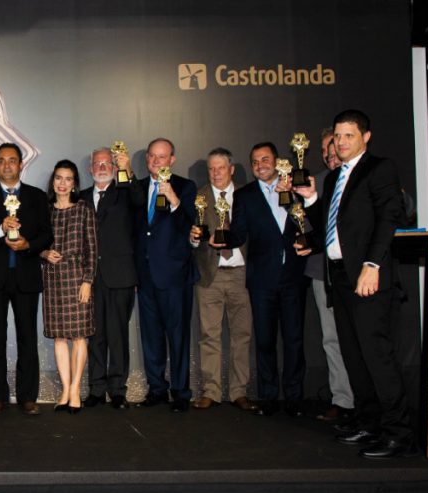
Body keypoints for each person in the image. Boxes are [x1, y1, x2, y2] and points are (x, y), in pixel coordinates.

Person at [294, 109, 414, 459]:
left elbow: (390, 217)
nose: (341, 142)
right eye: (337, 136)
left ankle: (399, 433)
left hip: (368, 277)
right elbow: (331, 228)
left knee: (377, 357)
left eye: (348, 135)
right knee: (355, 357)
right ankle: (369, 423)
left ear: (366, 136)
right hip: (339, 277)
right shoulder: (333, 179)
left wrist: (372, 264)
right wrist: (312, 199)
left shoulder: (379, 169)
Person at [0, 143, 53, 416]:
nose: (7, 165)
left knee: (28, 338)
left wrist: (28, 244)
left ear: (21, 164)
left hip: (26, 277)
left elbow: (46, 235)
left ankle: (28, 397)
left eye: (12, 160)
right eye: (1, 160)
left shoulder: (37, 197)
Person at [224, 142, 308, 418]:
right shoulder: (245, 196)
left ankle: (295, 397)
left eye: (265, 159)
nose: (261, 165)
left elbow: (309, 224)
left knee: (294, 339)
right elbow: (238, 234)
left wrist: (296, 196)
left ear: (277, 161)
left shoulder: (297, 188)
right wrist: (220, 237)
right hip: (261, 279)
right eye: (255, 161)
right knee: (264, 340)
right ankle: (269, 396)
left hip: (293, 275)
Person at [125, 138, 198, 412]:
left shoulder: (185, 187)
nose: (156, 161)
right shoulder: (139, 188)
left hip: (175, 276)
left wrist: (174, 200)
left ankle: (181, 393)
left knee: (178, 337)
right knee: (151, 337)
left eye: (162, 156)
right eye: (152, 157)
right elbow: (134, 233)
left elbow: (193, 226)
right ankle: (157, 389)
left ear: (172, 159)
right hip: (145, 277)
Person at [188, 148, 256, 411]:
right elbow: (191, 233)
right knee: (209, 335)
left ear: (232, 169)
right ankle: (211, 391)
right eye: (211, 169)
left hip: (241, 274)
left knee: (242, 335)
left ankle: (240, 391)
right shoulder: (199, 197)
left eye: (220, 168)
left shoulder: (247, 195)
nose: (215, 173)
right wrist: (193, 238)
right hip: (210, 276)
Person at [304, 128, 354, 423]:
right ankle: (343, 399)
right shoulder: (316, 184)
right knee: (332, 339)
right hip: (323, 272)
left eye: (335, 146)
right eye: (326, 149)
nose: (331, 153)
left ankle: (368, 402)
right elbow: (308, 229)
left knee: (359, 338)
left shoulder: (364, 178)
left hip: (360, 274)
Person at [79, 148, 135, 410]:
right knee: (95, 335)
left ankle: (118, 390)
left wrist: (128, 171)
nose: (102, 167)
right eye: (97, 164)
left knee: (118, 336)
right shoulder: (79, 199)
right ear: (90, 169)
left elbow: (139, 200)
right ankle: (97, 389)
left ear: (114, 167)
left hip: (120, 276)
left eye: (106, 163)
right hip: (88, 279)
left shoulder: (126, 193)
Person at [40, 160, 96, 414]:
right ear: (53, 181)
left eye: (68, 179)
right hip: (52, 278)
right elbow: (36, 241)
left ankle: (75, 389)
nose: (63, 184)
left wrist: (88, 280)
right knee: (60, 337)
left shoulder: (84, 209)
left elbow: (92, 248)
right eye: (59, 178)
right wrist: (44, 253)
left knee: (79, 336)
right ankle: (65, 389)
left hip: (77, 277)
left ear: (75, 184)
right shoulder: (45, 211)